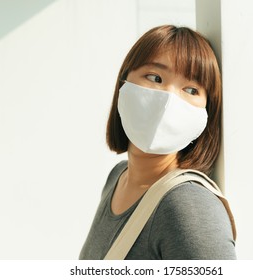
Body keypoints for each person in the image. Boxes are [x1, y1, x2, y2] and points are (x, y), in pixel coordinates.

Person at [79, 25, 236, 260]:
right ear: (123, 83)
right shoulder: (118, 176)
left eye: (191, 89)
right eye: (155, 78)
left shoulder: (187, 206)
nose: (168, 100)